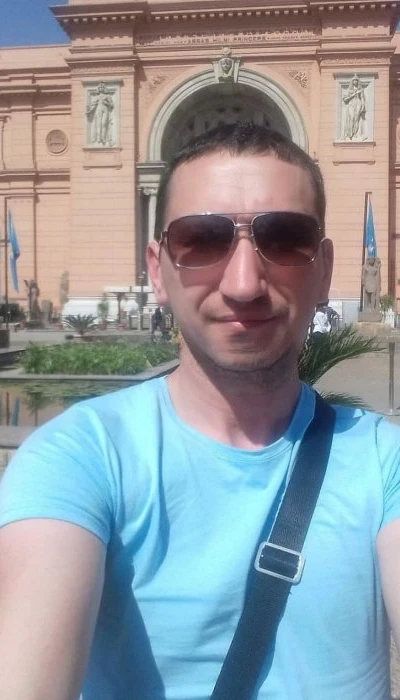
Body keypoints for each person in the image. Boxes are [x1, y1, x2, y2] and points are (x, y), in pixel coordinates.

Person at [0, 123, 399, 700]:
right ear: (157, 269)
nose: (244, 284)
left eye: (286, 238)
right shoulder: (79, 459)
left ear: (324, 269)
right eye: (202, 240)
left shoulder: (384, 464)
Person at [342, 74, 367, 141]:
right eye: (354, 80)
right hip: (351, 104)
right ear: (352, 82)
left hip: (358, 103)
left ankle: (355, 134)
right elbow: (345, 99)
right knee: (351, 118)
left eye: (356, 80)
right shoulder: (349, 90)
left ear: (358, 82)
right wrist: (353, 95)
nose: (355, 81)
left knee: (357, 119)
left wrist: (363, 106)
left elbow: (362, 98)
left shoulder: (361, 90)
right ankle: (349, 134)